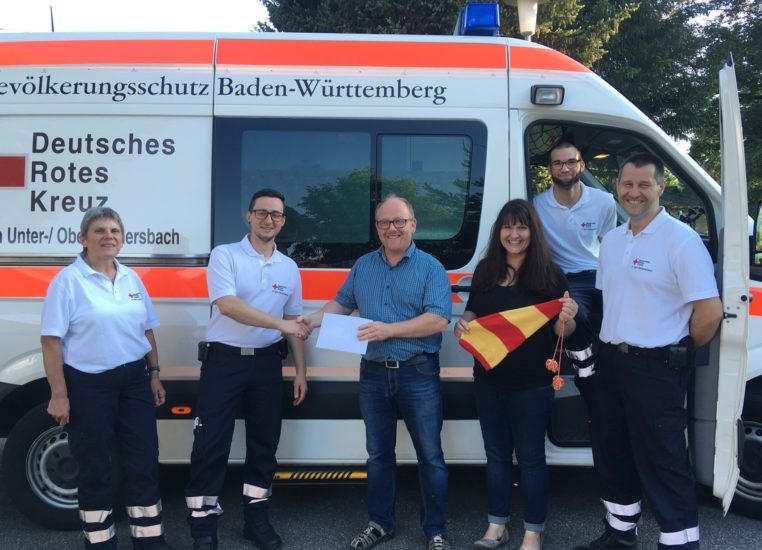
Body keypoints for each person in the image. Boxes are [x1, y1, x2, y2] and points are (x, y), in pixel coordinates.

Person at [575, 153, 723, 550]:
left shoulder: (681, 241)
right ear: (617, 187)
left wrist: (678, 349)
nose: (634, 192)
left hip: (657, 368)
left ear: (661, 187)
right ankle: (620, 534)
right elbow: (609, 301)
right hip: (612, 363)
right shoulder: (612, 241)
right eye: (627, 184)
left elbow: (710, 313)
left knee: (664, 461)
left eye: (644, 184)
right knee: (613, 453)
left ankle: (680, 543)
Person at [300, 195, 452, 550]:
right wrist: (311, 319)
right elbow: (342, 304)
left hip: (418, 372)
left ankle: (435, 531)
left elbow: (438, 319)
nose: (392, 228)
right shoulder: (364, 266)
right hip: (373, 373)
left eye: (399, 221)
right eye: (384, 222)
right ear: (377, 227)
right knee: (379, 455)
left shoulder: (431, 268)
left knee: (430, 456)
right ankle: (380, 524)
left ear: (413, 225)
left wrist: (388, 330)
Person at [184, 188, 309, 550]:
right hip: (224, 362)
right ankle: (203, 528)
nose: (269, 220)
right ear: (249, 216)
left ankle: (256, 520)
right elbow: (227, 305)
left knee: (264, 445)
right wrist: (280, 324)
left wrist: (300, 372)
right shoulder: (225, 255)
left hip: (268, 364)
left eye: (276, 214)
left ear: (283, 221)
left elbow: (294, 323)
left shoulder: (289, 267)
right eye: (262, 213)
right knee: (210, 445)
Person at [40, 207, 170, 549]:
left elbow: (146, 330)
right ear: (83, 239)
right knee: (95, 466)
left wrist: (154, 374)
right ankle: (99, 542)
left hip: (134, 382)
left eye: (114, 231)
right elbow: (51, 341)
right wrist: (59, 394)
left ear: (122, 239)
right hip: (89, 385)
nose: (108, 236)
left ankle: (149, 540)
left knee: (143, 460)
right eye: (99, 230)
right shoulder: (68, 281)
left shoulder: (131, 278)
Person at [454, 199, 578, 550]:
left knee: (531, 458)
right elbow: (473, 311)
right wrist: (464, 323)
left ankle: (533, 532)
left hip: (533, 384)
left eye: (522, 227)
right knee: (495, 456)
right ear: (499, 232)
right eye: (508, 227)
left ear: (532, 232)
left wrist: (569, 316)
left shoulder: (550, 275)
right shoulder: (486, 271)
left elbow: (562, 333)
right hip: (489, 379)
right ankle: (496, 526)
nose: (514, 234)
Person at [533, 141, 616, 412]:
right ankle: (587, 378)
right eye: (558, 163)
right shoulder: (538, 205)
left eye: (570, 161)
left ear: (582, 165)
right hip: (563, 278)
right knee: (574, 318)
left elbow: (608, 244)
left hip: (598, 274)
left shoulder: (604, 201)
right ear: (550, 169)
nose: (565, 168)